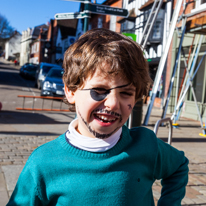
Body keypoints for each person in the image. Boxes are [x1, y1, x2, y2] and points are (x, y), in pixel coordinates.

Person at [7, 28, 189, 206]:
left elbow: (178, 166)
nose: (112, 104)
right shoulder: (43, 163)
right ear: (70, 91)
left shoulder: (147, 145)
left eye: (126, 93)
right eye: (100, 90)